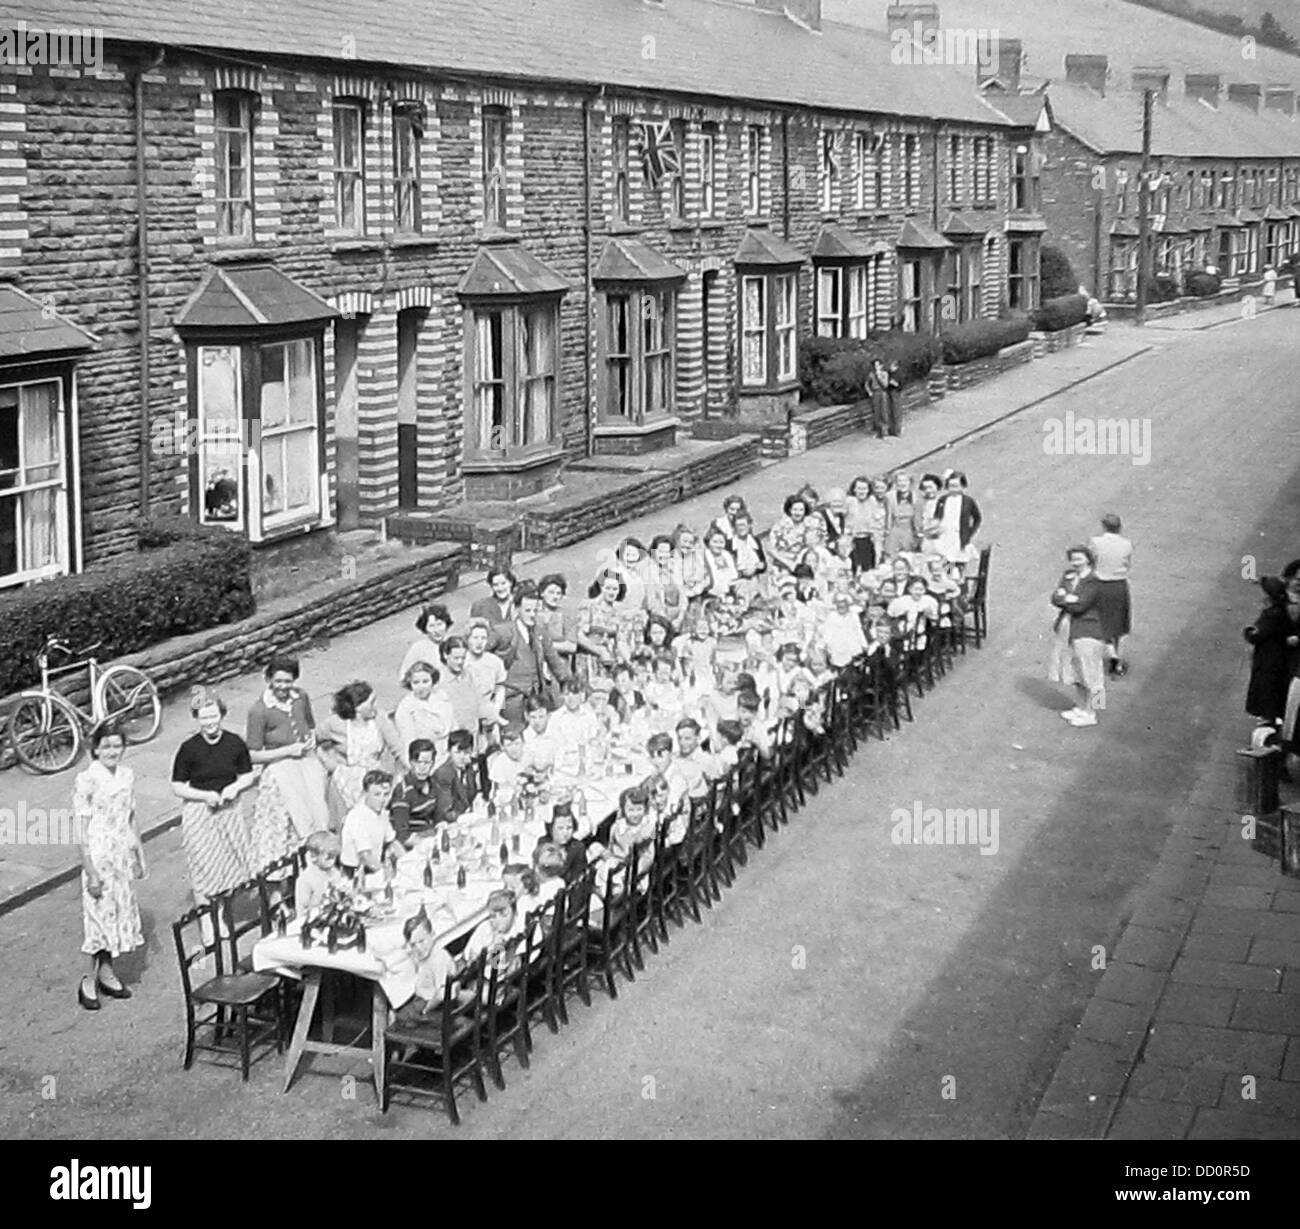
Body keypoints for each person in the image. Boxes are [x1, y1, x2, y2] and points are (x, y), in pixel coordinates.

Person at [75, 724, 144, 1011]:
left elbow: (131, 817)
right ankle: (87, 981)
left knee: (117, 914)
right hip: (100, 856)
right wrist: (90, 870)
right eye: (106, 746)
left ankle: (107, 973)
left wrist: (140, 853)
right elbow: (80, 830)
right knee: (99, 918)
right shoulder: (87, 779)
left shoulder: (127, 776)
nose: (112, 751)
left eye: (117, 746)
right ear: (96, 749)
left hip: (121, 856)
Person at [171, 688, 258, 906]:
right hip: (200, 811)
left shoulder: (234, 743)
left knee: (229, 861)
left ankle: (223, 913)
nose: (210, 722)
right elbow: (177, 786)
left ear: (221, 715)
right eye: (204, 718)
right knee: (203, 863)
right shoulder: (189, 749)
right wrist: (203, 795)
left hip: (228, 809)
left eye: (213, 716)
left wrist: (235, 788)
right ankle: (208, 926)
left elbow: (248, 775)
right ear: (197, 719)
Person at [245, 654, 330, 869]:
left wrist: (311, 739)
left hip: (307, 764)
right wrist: (287, 751)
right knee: (287, 825)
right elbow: (253, 754)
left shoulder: (301, 697)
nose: (283, 686)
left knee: (319, 815)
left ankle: (316, 869)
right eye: (278, 681)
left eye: (288, 681)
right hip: (280, 769)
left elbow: (310, 725)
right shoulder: (259, 710)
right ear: (269, 680)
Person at [315, 680, 407, 810]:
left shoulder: (380, 719)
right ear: (358, 707)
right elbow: (312, 740)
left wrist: (411, 769)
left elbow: (397, 748)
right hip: (344, 780)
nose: (375, 706)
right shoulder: (335, 723)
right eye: (371, 703)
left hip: (374, 779)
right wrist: (327, 761)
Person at [489, 582, 572, 724]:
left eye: (535, 611)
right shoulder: (503, 632)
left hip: (536, 698)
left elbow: (555, 662)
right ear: (516, 610)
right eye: (527, 611)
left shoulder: (540, 632)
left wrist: (569, 684)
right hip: (511, 699)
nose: (532, 615)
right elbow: (481, 654)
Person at [1051, 546, 1107, 727]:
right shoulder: (1069, 575)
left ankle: (1094, 712)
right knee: (1077, 670)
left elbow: (1081, 606)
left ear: (1088, 559)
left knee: (1091, 673)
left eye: (1079, 559)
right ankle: (1082, 706)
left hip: (1089, 631)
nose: (1075, 562)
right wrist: (1069, 598)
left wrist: (1066, 598)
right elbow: (1055, 598)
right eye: (1073, 559)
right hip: (1070, 629)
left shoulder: (1094, 581)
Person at [391, 910, 460, 1025]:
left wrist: (426, 1010)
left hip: (436, 1006)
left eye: (422, 941)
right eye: (413, 944)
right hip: (426, 997)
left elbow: (441, 994)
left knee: (398, 1019)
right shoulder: (426, 952)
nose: (419, 948)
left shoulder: (438, 958)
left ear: (432, 934)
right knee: (399, 1010)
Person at [1243, 576, 1296, 727]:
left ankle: (1268, 723)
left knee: (1267, 689)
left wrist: (1248, 632)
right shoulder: (1283, 610)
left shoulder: (1272, 614)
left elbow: (1257, 635)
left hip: (1269, 657)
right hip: (1280, 657)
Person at [1088, 513, 1134, 676]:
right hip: (1119, 585)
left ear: (1104, 526)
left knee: (1103, 623)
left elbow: (1091, 561)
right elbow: (1127, 563)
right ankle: (1118, 661)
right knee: (1120, 625)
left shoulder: (1096, 542)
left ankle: (1112, 655)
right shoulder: (1126, 544)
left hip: (1101, 585)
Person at [437, 636, 497, 748]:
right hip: (452, 739)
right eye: (456, 658)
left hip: (473, 735)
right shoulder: (439, 680)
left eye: (463, 658)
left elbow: (481, 701)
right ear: (446, 655)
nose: (460, 662)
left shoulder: (470, 674)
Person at [339, 769, 397, 878]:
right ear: (366, 793)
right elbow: (365, 856)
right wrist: (386, 873)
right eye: (377, 794)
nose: (382, 799)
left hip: (374, 868)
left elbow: (392, 842)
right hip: (355, 873)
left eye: (386, 794)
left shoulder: (383, 814)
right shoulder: (357, 817)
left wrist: (408, 862)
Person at [394, 660, 455, 760]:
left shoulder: (442, 699)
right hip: (424, 759)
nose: (421, 687)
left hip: (447, 756)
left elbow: (453, 727)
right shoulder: (406, 707)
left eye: (425, 681)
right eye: (416, 682)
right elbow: (409, 742)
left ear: (433, 681)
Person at [389, 739, 440, 844]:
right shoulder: (403, 792)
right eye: (418, 762)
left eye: (427, 763)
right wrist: (432, 842)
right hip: (413, 844)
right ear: (411, 762)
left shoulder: (434, 784)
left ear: (433, 763)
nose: (422, 768)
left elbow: (437, 818)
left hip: (430, 833)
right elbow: (402, 837)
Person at [933, 471, 982, 573]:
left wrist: (969, 533)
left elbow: (977, 518)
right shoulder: (942, 500)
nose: (953, 489)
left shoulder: (968, 501)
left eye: (956, 486)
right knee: (948, 568)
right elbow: (936, 517)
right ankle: (949, 581)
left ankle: (960, 584)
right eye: (950, 486)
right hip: (945, 538)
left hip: (959, 539)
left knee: (959, 566)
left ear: (963, 486)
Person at [431, 729, 479, 824]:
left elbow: (471, 796)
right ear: (449, 751)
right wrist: (464, 818)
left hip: (467, 820)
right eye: (457, 752)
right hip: (447, 825)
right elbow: (444, 812)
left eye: (466, 753)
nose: (462, 757)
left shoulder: (469, 767)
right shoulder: (443, 774)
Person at [398, 602, 452, 685]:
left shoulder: (454, 643)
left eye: (439, 624)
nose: (436, 630)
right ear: (425, 629)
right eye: (431, 626)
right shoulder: (418, 648)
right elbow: (403, 677)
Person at [464, 618, 508, 721]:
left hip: (490, 713)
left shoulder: (495, 661)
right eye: (475, 638)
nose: (479, 642)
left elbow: (500, 687)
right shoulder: (462, 662)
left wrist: (496, 709)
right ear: (467, 639)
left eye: (483, 638)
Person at [296, 830, 346, 915]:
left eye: (334, 856)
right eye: (329, 857)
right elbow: (303, 911)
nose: (332, 861)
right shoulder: (306, 880)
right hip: (312, 921)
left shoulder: (333, 871)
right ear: (314, 858)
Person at [644, 535, 687, 629]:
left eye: (666, 552)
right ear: (653, 552)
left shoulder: (676, 569)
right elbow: (652, 603)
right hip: (660, 618)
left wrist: (680, 618)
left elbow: (683, 596)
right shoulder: (648, 573)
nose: (663, 555)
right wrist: (666, 621)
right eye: (660, 552)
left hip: (679, 616)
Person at [769, 494, 813, 574]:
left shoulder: (808, 525)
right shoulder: (780, 525)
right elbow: (771, 548)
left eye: (801, 510)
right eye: (795, 509)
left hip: (800, 565)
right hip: (781, 565)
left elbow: (810, 546)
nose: (798, 513)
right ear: (789, 510)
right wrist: (789, 564)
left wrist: (798, 561)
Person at [884, 471, 921, 556]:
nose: (902, 483)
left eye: (905, 481)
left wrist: (918, 533)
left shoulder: (917, 496)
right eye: (899, 481)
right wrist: (887, 532)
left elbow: (918, 517)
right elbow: (888, 515)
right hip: (895, 529)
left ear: (910, 483)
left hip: (910, 530)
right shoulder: (889, 496)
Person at [870, 356, 902, 438]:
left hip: (890, 392)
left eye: (877, 365)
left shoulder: (885, 373)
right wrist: (869, 391)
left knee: (893, 411)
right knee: (880, 412)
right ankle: (885, 430)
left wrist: (879, 376)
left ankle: (895, 430)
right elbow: (867, 384)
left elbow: (886, 384)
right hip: (885, 393)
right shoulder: (873, 374)